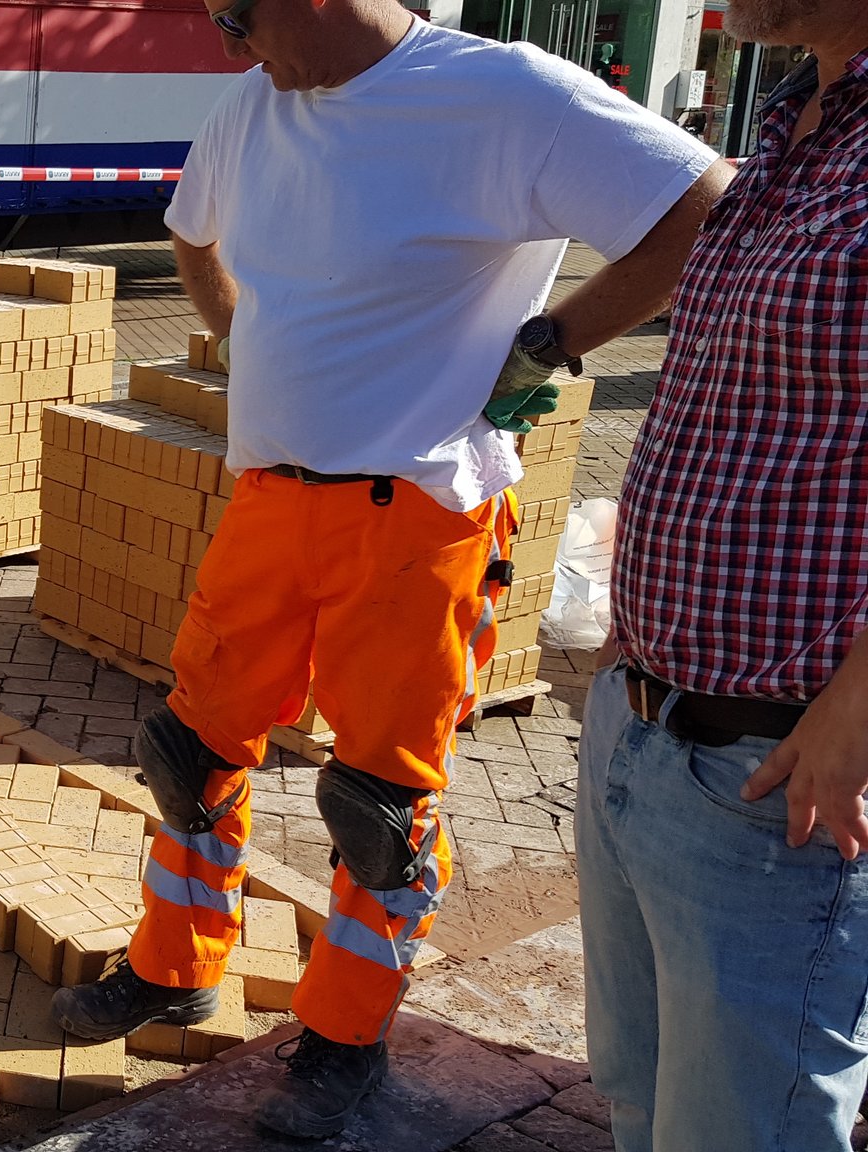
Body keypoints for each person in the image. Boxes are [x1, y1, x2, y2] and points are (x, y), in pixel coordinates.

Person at [44, 0, 732, 1139]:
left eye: (238, 13)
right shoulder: (249, 106)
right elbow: (191, 234)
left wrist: (557, 341)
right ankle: (174, 965)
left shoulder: (506, 97)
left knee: (376, 802)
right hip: (270, 498)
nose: (225, 40)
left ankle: (341, 1038)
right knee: (189, 750)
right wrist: (244, 338)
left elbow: (700, 205)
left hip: (418, 515)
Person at [578, 0, 868, 1146]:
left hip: (781, 771)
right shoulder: (792, 127)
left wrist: (855, 708)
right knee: (642, 1109)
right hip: (644, 730)